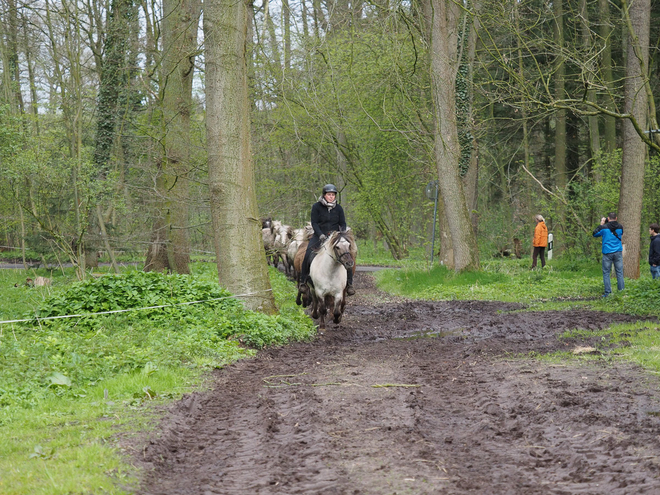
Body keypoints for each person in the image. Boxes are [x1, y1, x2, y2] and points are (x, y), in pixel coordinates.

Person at [298, 184, 355, 296]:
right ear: (324, 195)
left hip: (335, 237)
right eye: (329, 194)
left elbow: (342, 223)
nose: (331, 197)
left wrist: (341, 234)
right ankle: (303, 282)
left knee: (348, 255)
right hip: (320, 235)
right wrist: (320, 235)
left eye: (333, 195)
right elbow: (314, 222)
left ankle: (349, 284)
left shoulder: (338, 208)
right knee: (308, 253)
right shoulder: (316, 207)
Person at [593, 212, 624, 297]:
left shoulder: (604, 227)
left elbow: (595, 234)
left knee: (606, 273)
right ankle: (621, 292)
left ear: (608, 219)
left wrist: (601, 224)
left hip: (607, 253)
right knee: (620, 273)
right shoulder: (620, 227)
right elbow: (621, 234)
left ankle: (608, 293)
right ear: (616, 218)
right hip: (618, 252)